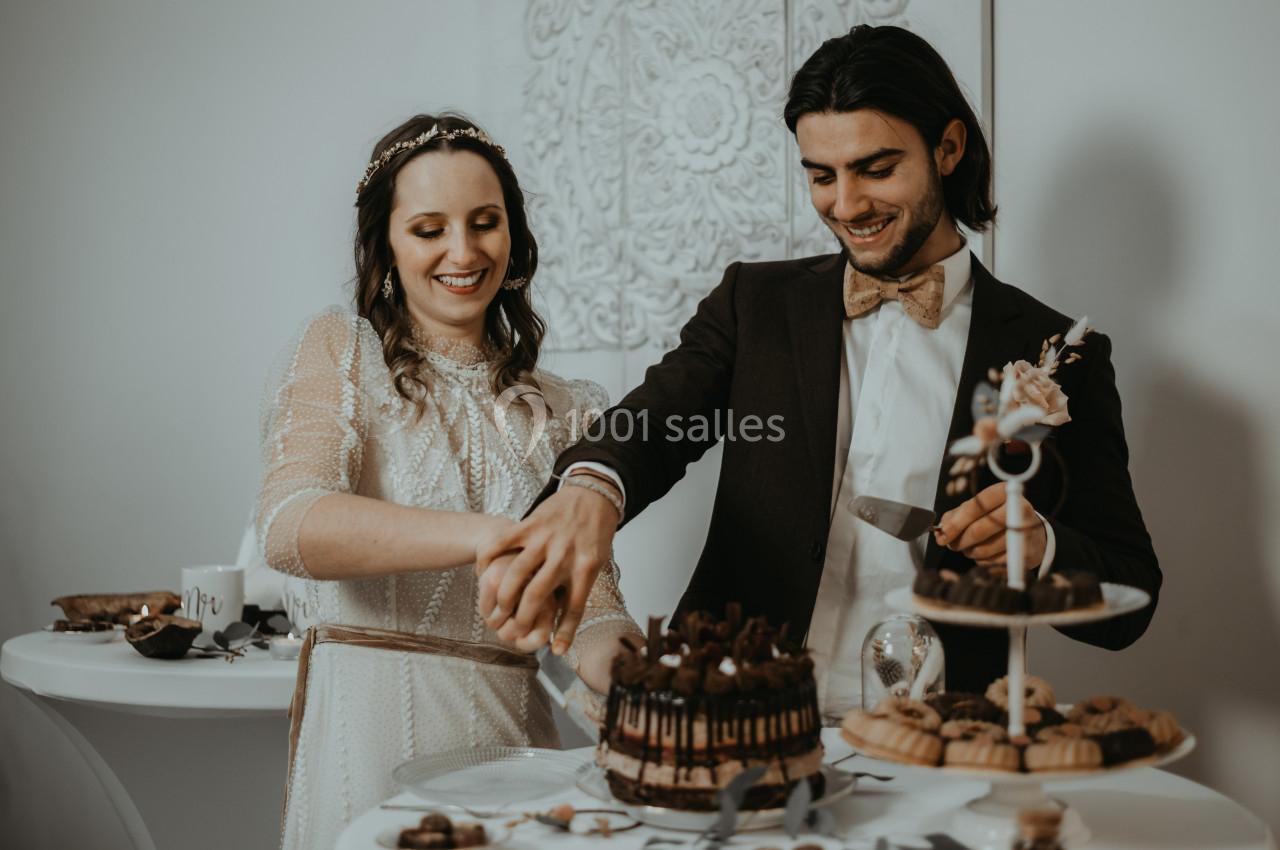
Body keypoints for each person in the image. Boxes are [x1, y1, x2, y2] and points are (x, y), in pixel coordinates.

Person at [477, 25, 1161, 712]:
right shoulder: (755, 302)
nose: (847, 205)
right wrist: (593, 488)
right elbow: (657, 424)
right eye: (821, 175)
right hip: (732, 715)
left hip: (937, 737)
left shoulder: (1056, 349)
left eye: (877, 168)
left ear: (948, 149)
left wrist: (1039, 548)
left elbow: (1131, 600)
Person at [255, 113, 640, 850]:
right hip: (364, 749)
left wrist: (640, 679)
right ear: (386, 246)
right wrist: (488, 536)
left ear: (514, 237)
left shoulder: (567, 407)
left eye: (485, 223)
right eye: (429, 228)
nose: (462, 252)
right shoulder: (340, 351)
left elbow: (590, 607)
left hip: (515, 758)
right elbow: (289, 524)